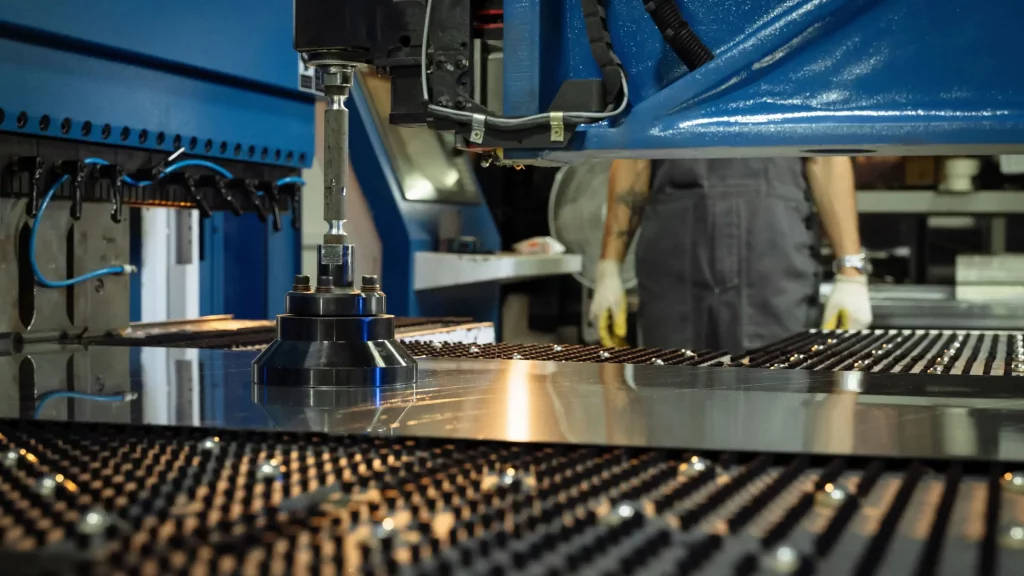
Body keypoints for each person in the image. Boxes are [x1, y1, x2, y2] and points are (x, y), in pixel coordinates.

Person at [589, 157, 872, 352]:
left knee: (777, 399)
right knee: (668, 396)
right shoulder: (648, 80)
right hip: (673, 265)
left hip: (771, 257)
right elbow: (634, 157)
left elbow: (826, 155)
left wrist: (851, 273)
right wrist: (608, 268)